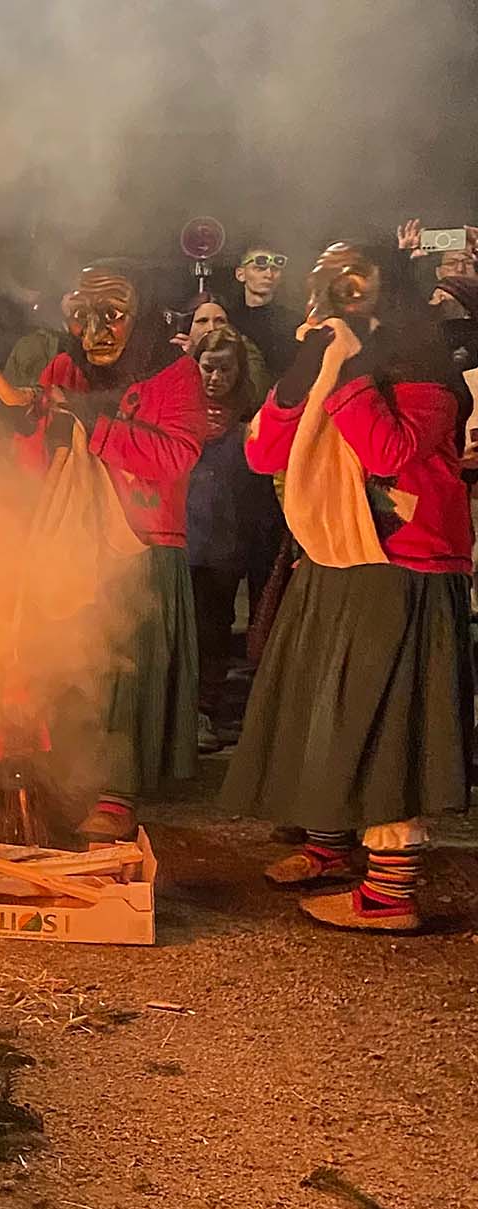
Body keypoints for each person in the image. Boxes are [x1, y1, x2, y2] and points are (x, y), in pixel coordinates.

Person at [222, 242, 472, 932]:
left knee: (387, 723)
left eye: (355, 286)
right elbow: (265, 452)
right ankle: (329, 845)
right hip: (334, 558)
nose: (338, 299)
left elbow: (388, 452)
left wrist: (351, 367)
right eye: (329, 284)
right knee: (324, 707)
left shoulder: (425, 371)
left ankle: (391, 892)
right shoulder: (331, 358)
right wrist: (309, 369)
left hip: (404, 567)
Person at [0, 262, 206, 840]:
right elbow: (42, 458)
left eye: (111, 315)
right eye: (81, 316)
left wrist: (90, 420)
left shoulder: (174, 374)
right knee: (65, 663)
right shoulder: (64, 365)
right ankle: (62, 780)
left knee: (124, 669)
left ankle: (118, 793)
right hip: (68, 536)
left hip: (140, 541)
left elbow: (174, 459)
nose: (96, 331)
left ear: (138, 317)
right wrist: (23, 422)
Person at [181, 324, 266, 751]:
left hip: (223, 547)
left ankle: (205, 711)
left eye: (224, 370)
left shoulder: (247, 426)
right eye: (207, 368)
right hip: (180, 539)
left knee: (213, 634)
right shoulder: (177, 414)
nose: (214, 378)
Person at [225, 246, 294, 371]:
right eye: (260, 268)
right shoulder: (226, 320)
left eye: (275, 269)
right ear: (240, 274)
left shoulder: (292, 322)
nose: (269, 275)